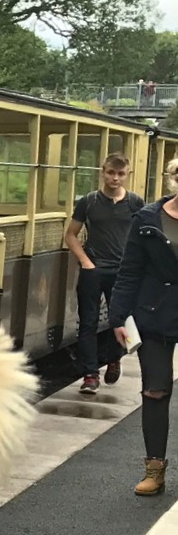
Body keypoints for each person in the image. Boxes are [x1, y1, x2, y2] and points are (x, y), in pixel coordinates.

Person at [110, 156, 178, 496]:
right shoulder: (147, 218)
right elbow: (130, 270)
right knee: (155, 389)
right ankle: (155, 470)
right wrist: (118, 317)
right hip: (154, 314)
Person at [66, 154, 142, 395]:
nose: (115, 178)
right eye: (111, 172)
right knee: (87, 321)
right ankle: (90, 374)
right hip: (93, 269)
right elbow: (71, 235)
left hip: (123, 272)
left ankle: (114, 358)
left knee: (119, 320)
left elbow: (143, 236)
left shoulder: (135, 203)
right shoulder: (88, 202)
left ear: (127, 175)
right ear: (103, 171)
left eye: (120, 174)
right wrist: (86, 261)